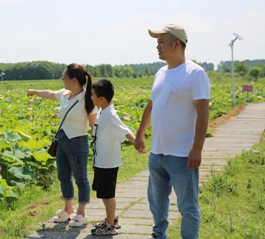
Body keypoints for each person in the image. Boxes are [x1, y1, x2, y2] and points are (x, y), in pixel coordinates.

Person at [134, 23, 210, 239]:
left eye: (161, 42)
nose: (157, 46)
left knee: (187, 207)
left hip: (182, 154)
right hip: (157, 153)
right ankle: (159, 235)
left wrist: (197, 149)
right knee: (156, 203)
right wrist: (140, 133)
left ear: (176, 44)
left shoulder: (195, 73)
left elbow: (203, 113)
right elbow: (151, 105)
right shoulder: (160, 72)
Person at [26, 63, 97, 227]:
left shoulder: (87, 99)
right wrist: (35, 92)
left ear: (73, 80)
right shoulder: (65, 94)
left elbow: (94, 125)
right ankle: (68, 209)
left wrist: (97, 143)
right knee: (63, 176)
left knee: (81, 178)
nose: (62, 80)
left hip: (78, 142)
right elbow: (50, 94)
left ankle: (81, 212)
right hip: (63, 140)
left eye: (64, 77)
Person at [90, 79, 143, 236]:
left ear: (102, 99)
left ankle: (110, 225)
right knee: (104, 194)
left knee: (108, 194)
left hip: (108, 162)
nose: (91, 97)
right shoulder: (102, 111)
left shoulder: (111, 115)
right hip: (101, 160)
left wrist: (136, 143)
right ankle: (111, 219)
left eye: (93, 95)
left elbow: (125, 130)